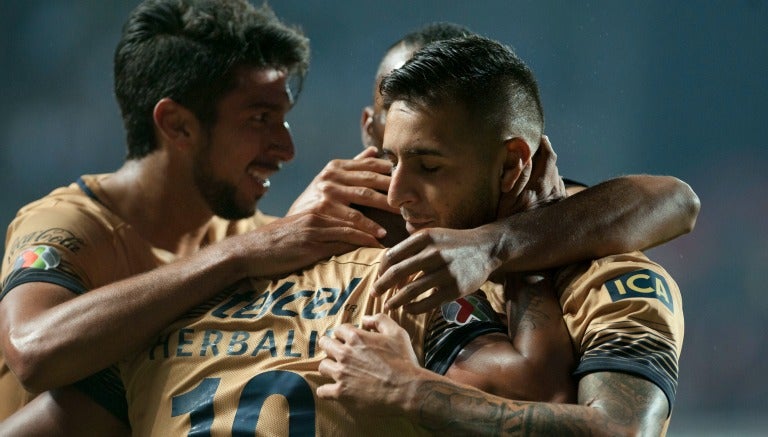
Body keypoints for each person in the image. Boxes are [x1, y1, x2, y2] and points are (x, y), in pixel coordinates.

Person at [0, 0, 386, 422]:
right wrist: (240, 255)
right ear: (178, 125)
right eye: (260, 118)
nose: (286, 149)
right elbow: (31, 351)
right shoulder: (69, 223)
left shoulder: (257, 239)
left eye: (285, 120)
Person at [316, 35, 685, 436]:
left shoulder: (612, 280)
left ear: (511, 165)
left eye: (429, 166)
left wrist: (409, 391)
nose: (395, 192)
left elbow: (622, 431)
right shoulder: (375, 248)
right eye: (392, 157)